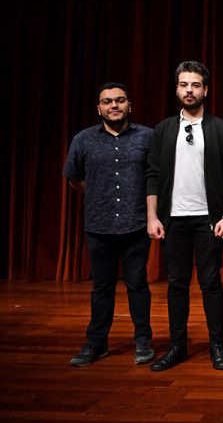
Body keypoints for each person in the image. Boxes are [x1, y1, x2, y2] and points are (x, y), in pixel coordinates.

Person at [146, 61, 223, 372]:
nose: (189, 90)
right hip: (173, 220)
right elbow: (153, 175)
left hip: (208, 220)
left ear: (205, 90)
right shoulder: (163, 129)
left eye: (195, 85)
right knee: (176, 284)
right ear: (176, 89)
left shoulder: (220, 128)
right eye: (184, 84)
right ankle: (177, 346)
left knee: (211, 283)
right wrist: (153, 217)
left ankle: (217, 346)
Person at [64, 82, 154, 367]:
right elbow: (74, 178)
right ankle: (97, 343)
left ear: (130, 106)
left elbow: (157, 177)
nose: (113, 106)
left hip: (136, 223)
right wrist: (100, 194)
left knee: (138, 286)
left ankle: (143, 340)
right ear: (99, 108)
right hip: (99, 224)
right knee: (101, 287)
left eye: (119, 100)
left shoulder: (148, 138)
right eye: (107, 102)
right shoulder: (83, 139)